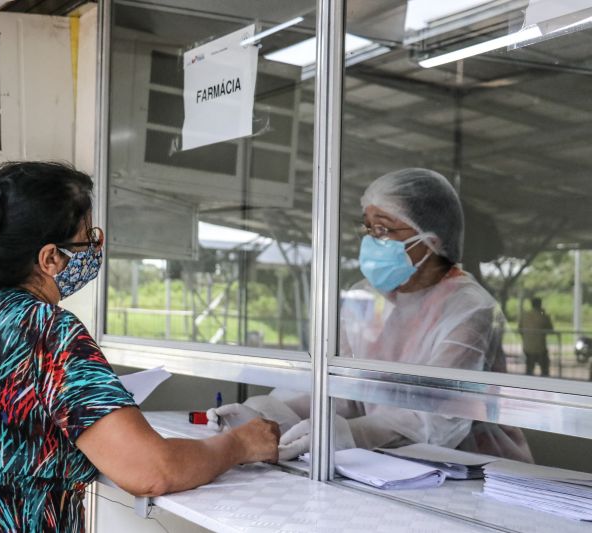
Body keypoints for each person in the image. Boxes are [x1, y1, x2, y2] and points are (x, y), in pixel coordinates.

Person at [0, 162, 279, 533]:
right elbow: (150, 469)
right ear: (50, 258)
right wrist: (238, 444)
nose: (94, 248)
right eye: (88, 238)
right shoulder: (46, 330)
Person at [209, 168, 532, 463]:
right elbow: (339, 389)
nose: (369, 241)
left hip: (473, 471)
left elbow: (439, 419)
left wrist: (352, 433)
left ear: (429, 242)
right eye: (367, 227)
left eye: (382, 230)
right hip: (386, 465)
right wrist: (265, 415)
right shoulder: (364, 298)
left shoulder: (469, 308)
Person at [519, 297, 554, 376]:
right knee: (545, 369)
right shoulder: (543, 316)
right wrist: (544, 313)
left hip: (527, 347)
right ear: (540, 304)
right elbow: (551, 329)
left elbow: (520, 329)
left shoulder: (525, 315)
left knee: (529, 370)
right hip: (540, 348)